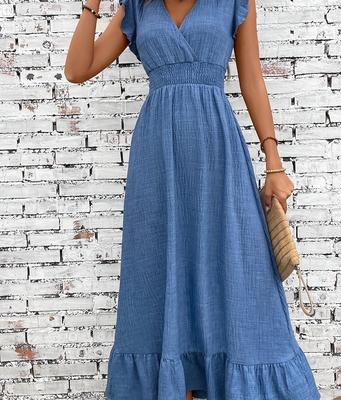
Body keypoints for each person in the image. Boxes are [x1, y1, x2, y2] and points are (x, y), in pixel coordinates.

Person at [64, 0, 321, 398]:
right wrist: (91, 4)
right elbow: (77, 70)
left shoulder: (234, 2)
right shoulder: (137, 7)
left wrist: (274, 164)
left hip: (218, 151)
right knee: (160, 272)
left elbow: (252, 78)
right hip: (158, 158)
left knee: (237, 269)